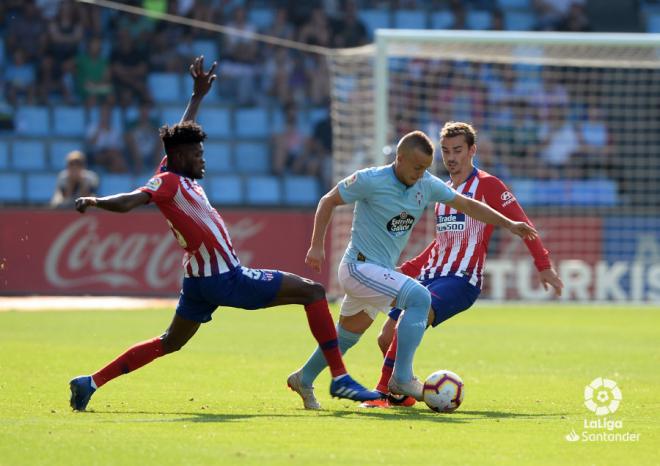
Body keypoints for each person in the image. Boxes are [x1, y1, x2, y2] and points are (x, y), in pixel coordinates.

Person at [68, 56, 379, 412]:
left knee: (170, 341)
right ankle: (339, 377)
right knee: (313, 292)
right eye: (198, 154)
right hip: (224, 278)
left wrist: (197, 95)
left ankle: (89, 383)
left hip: (199, 280)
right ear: (182, 156)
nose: (203, 159)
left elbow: (182, 131)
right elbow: (131, 201)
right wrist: (95, 200)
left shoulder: (176, 169)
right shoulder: (167, 181)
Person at [287, 128, 539, 410]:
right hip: (358, 267)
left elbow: (467, 205)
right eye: (417, 167)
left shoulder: (426, 183)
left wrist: (509, 224)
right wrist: (316, 246)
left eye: (425, 169)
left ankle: (303, 378)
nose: (420, 174)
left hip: (376, 273)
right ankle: (402, 379)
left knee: (347, 336)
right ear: (400, 158)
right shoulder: (371, 179)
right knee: (419, 298)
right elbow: (328, 201)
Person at [362, 121, 564, 408]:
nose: (451, 157)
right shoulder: (442, 190)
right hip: (431, 274)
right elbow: (441, 243)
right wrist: (408, 268)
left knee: (407, 322)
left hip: (461, 279)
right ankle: (403, 395)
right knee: (384, 337)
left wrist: (543, 264)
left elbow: (523, 225)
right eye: (446, 151)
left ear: (472, 150)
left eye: (458, 150)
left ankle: (383, 391)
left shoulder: (488, 185)